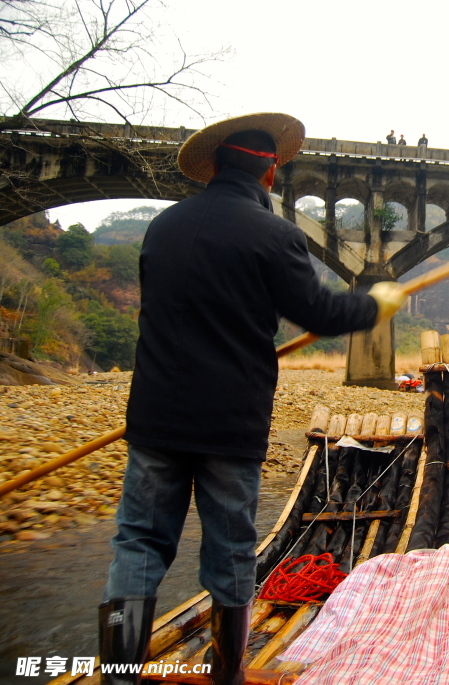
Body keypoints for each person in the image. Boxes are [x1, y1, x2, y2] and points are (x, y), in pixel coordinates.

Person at [100, 113, 407, 685]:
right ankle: (227, 676)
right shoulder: (275, 235)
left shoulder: (162, 228)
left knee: (138, 543)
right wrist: (374, 304)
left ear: (215, 165)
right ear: (269, 174)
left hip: (154, 418)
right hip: (230, 422)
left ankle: (119, 674)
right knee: (232, 548)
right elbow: (319, 312)